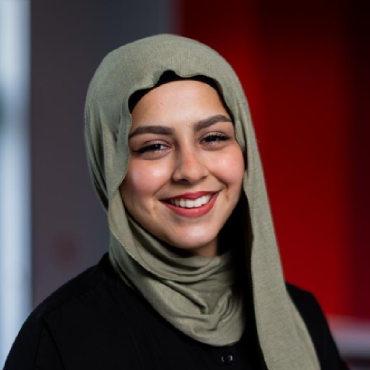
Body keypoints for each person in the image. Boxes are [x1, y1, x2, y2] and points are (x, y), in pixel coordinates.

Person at [4, 34, 348, 370]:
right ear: (110, 166)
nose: (190, 171)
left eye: (213, 138)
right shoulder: (60, 336)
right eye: (154, 146)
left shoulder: (300, 315)